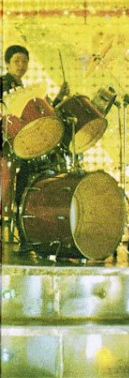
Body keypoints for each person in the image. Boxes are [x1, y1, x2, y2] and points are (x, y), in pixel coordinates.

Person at [1, 44, 69, 249]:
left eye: (24, 61)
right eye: (16, 61)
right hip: (6, 144)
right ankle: (20, 230)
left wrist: (59, 98)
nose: (21, 65)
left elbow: (41, 115)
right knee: (12, 185)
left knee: (26, 183)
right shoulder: (3, 84)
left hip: (21, 145)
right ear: (7, 64)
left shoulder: (25, 89)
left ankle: (25, 229)